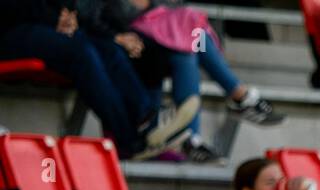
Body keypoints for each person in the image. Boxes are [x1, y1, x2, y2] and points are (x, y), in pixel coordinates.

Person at [79, 0, 283, 163]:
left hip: (160, 41)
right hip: (120, 43)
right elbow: (91, 18)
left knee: (189, 46)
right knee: (191, 38)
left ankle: (191, 139)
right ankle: (238, 97)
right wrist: (119, 34)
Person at [0, 1, 198, 160]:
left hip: (49, 26)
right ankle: (130, 141)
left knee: (111, 50)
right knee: (81, 52)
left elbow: (76, 11)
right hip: (12, 31)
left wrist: (72, 20)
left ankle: (147, 118)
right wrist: (54, 19)